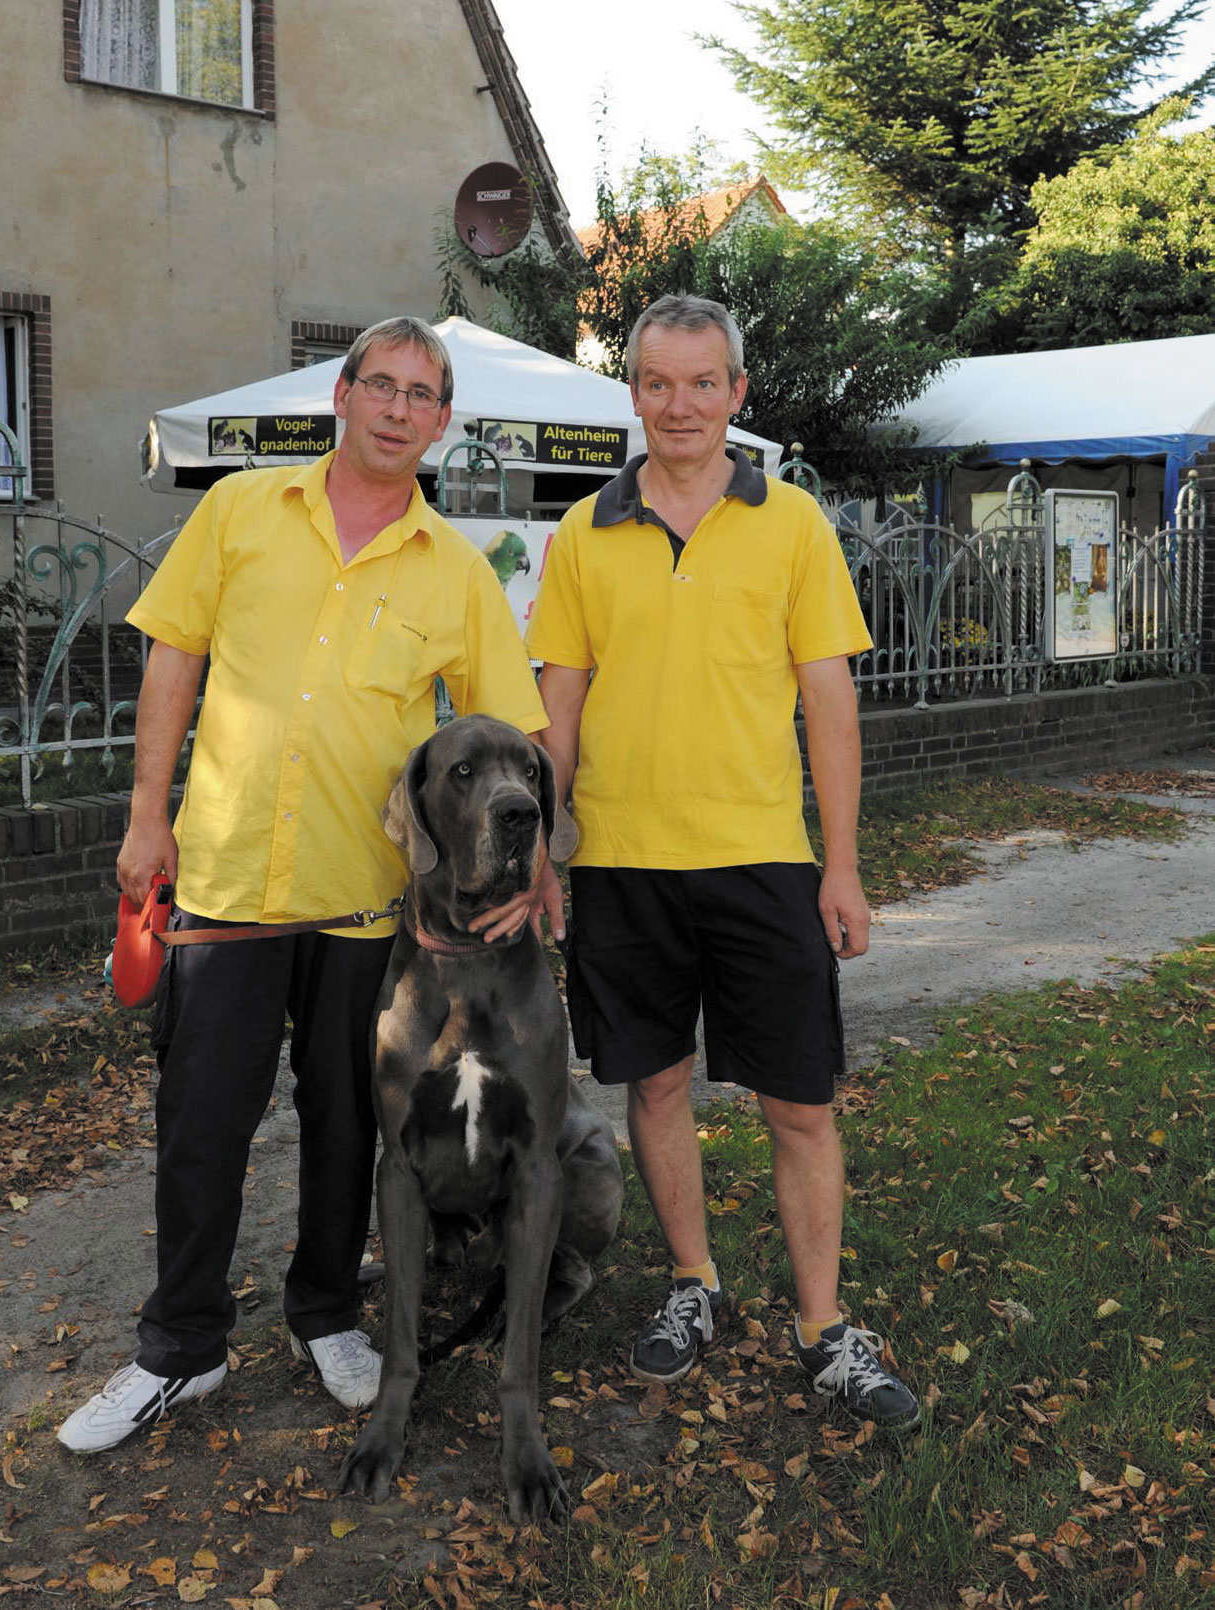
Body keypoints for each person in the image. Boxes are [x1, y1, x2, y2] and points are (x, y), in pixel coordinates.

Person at [59, 317, 549, 1453]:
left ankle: (327, 1315)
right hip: (223, 886)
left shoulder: (455, 568)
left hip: (362, 904)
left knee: (344, 1125)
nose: (397, 408)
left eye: (422, 395)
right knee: (200, 1126)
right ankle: (179, 1347)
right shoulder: (238, 512)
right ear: (342, 394)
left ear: (439, 421)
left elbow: (516, 729)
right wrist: (146, 816)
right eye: (380, 384)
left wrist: (539, 862)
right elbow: (172, 657)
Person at [524, 295, 918, 1430]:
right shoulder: (582, 534)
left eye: (703, 383)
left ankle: (822, 1324)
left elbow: (828, 707)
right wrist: (548, 851)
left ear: (737, 393)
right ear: (633, 392)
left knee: (799, 1100)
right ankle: (693, 1282)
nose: (680, 405)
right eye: (657, 383)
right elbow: (560, 704)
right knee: (652, 1083)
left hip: (761, 860)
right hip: (622, 864)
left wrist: (837, 866)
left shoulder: (791, 522)